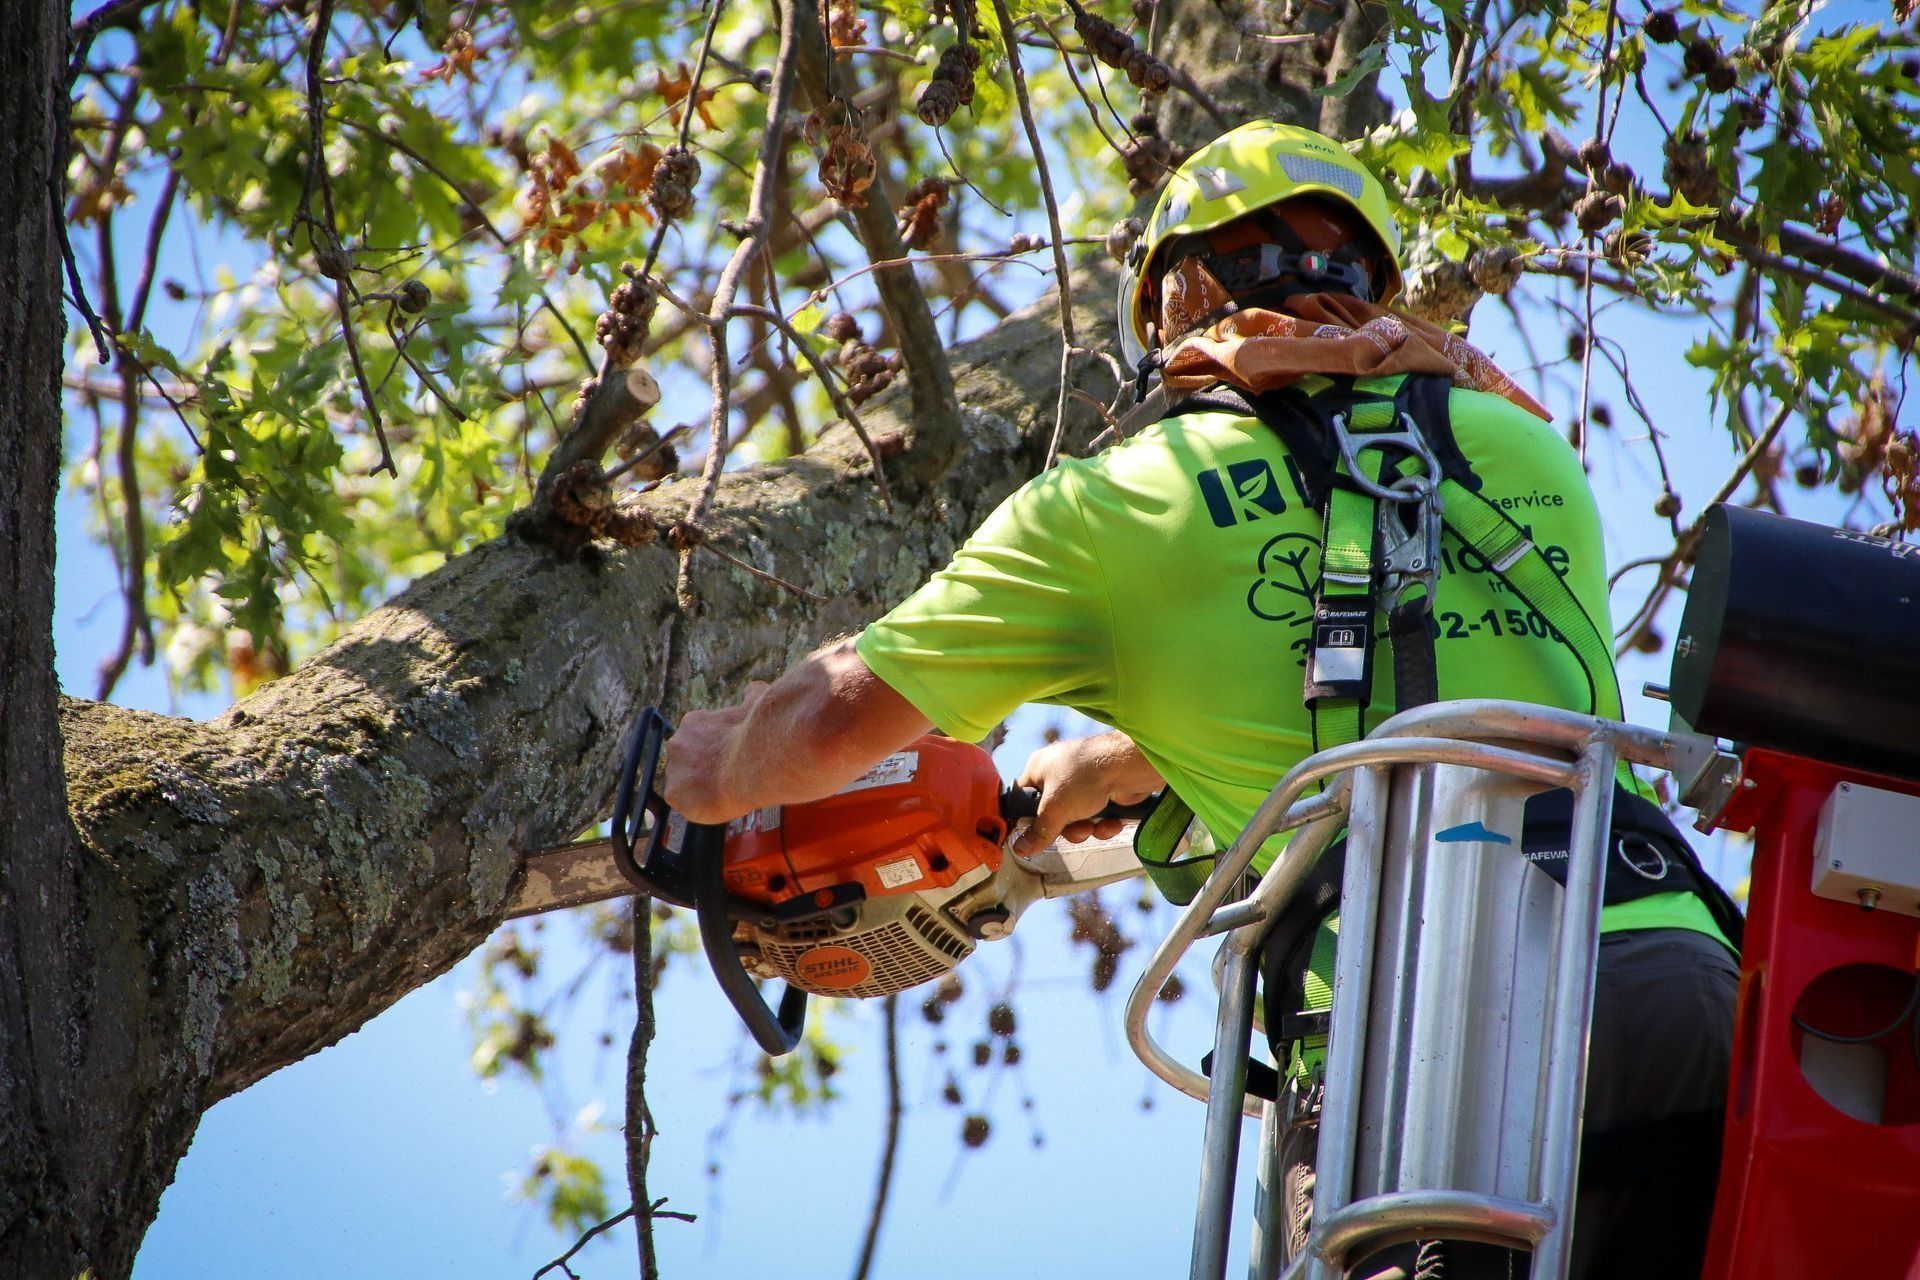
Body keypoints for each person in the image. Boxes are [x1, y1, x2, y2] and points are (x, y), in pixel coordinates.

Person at [662, 120, 1739, 1279]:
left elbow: (832, 724)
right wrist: (1130, 759)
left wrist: (710, 765)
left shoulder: (1117, 507)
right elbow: (1398, 658)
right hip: (1682, 991)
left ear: (1181, 292)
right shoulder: (1527, 449)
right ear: (1368, 279)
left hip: (1430, 1060)